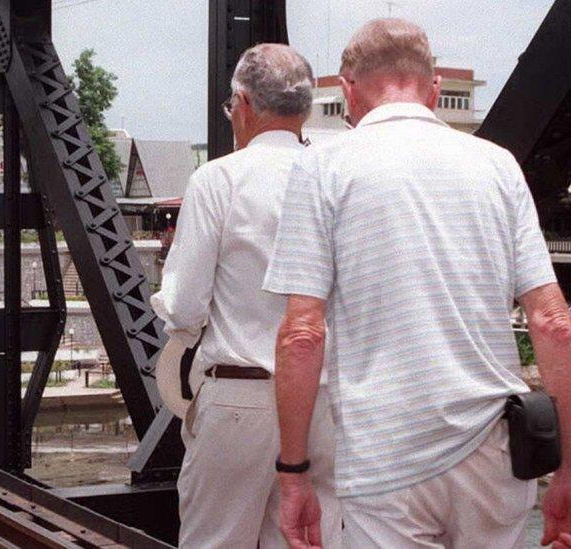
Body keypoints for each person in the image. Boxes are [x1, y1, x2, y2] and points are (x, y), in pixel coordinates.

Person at [263, 18, 571, 548]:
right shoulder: (497, 166)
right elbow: (553, 322)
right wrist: (568, 465)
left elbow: (302, 336)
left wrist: (294, 473)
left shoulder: (324, 168)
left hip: (386, 456)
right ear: (433, 90)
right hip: (493, 451)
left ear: (347, 89)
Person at [150, 44, 341, 548]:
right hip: (324, 399)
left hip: (242, 395)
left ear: (244, 103)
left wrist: (167, 307)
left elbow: (186, 305)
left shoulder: (219, 179)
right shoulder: (335, 179)